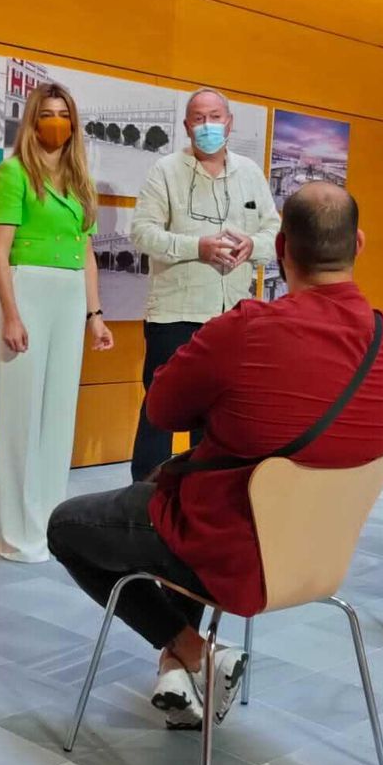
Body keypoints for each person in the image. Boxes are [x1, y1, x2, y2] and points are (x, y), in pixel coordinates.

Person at [46, 182, 383, 729]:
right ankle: (182, 669)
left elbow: (164, 409)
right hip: (320, 554)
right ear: (359, 243)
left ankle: (193, 651)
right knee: (177, 500)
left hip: (235, 552)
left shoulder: (246, 329)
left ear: (281, 247)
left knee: (70, 525)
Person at [0, 83, 115, 563]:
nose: (55, 122)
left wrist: (95, 316)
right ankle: (17, 533)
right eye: (47, 113)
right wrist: (12, 314)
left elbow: (87, 255)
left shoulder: (81, 180)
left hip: (67, 297)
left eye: (64, 114)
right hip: (27, 290)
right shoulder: (13, 173)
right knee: (21, 414)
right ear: (32, 119)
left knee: (58, 413)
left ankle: (47, 524)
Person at [128, 88, 279, 482]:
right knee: (159, 411)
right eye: (199, 118)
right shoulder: (164, 171)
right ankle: (144, 499)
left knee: (218, 416)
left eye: (215, 117)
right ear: (186, 126)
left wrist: (253, 245)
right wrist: (197, 246)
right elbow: (142, 233)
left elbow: (273, 229)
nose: (208, 126)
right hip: (175, 314)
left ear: (229, 122)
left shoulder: (249, 172)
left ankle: (202, 497)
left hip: (233, 317)